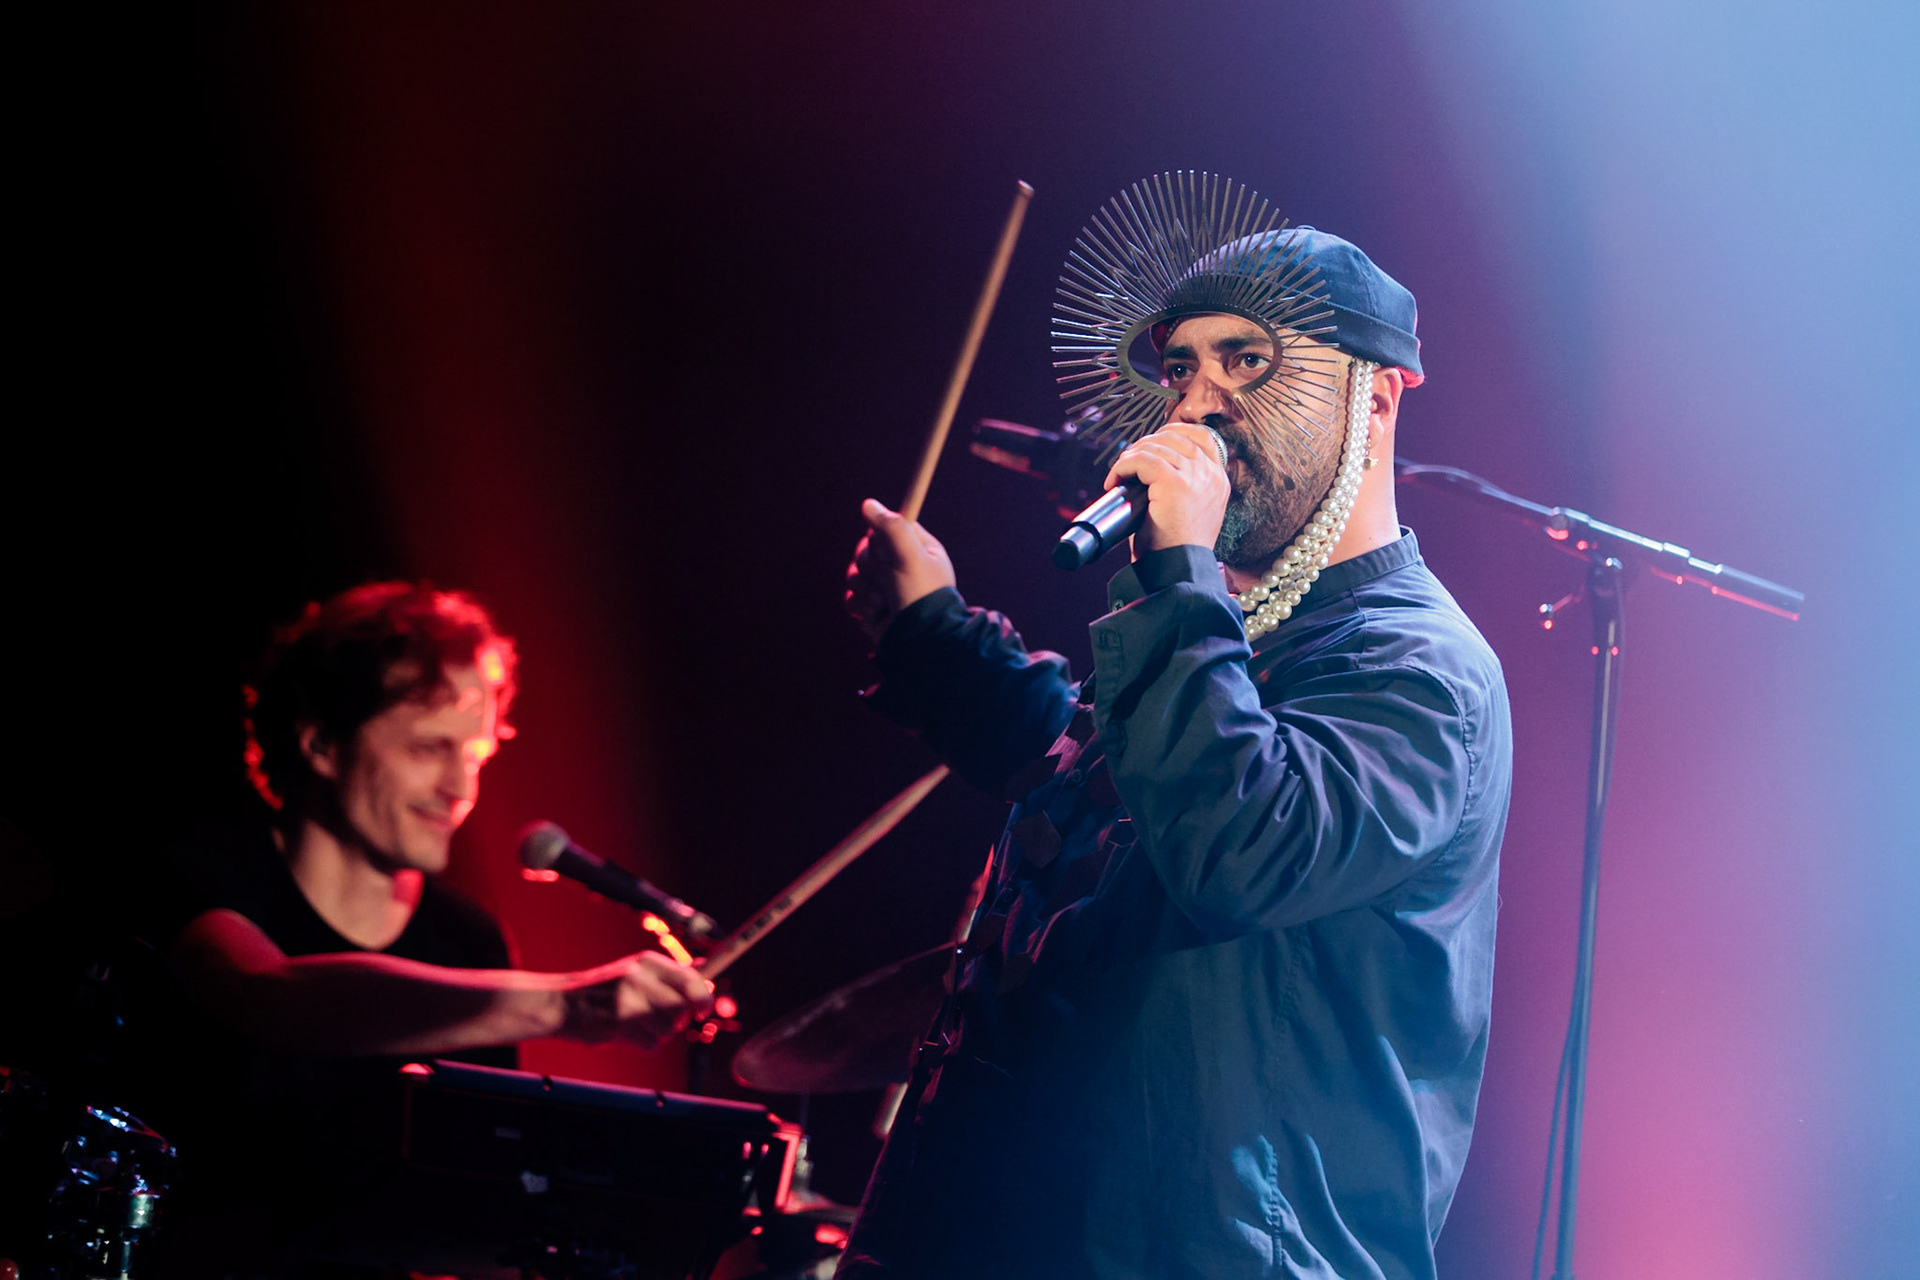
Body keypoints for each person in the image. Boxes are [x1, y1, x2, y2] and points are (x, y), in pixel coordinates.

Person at [838, 227, 1511, 1279]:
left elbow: (1235, 842)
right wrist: (934, 638)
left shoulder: (1418, 668)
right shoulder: (1232, 630)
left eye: (1249, 360)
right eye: (1182, 367)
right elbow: (1106, 790)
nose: (1198, 403)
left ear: (1377, 397)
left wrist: (1182, 571)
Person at [138, 582, 714, 1275]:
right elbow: (267, 994)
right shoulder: (206, 875)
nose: (460, 787)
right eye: (428, 749)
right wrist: (567, 1003)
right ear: (320, 741)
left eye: (474, 756)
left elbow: (473, 1197)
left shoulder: (468, 939)